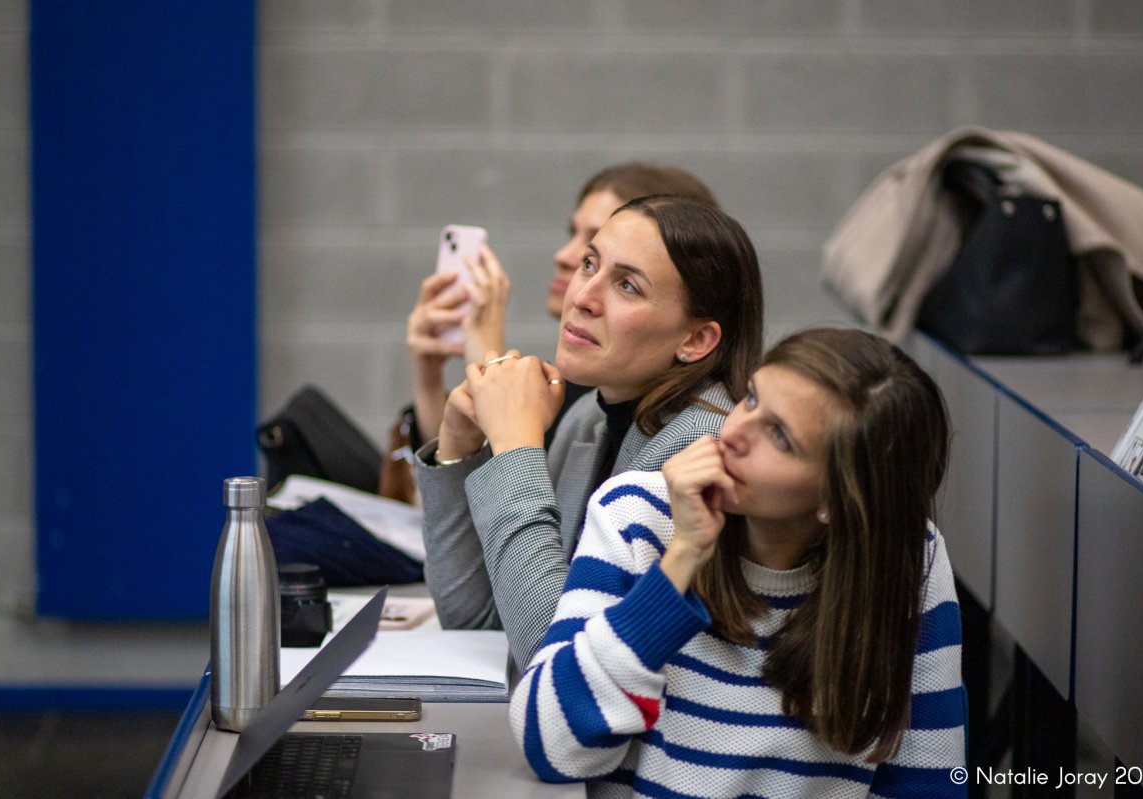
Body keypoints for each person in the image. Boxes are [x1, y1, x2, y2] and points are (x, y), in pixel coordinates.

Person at [511, 327, 966, 797]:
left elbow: (926, 785)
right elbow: (552, 747)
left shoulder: (910, 560)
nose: (732, 433)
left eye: (780, 436)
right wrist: (682, 558)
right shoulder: (638, 514)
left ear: (837, 500)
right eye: (751, 399)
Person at [415, 196, 765, 669]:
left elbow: (556, 657)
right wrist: (458, 449)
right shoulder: (589, 421)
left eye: (627, 285)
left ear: (696, 339)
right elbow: (475, 617)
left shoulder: (700, 449)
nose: (582, 297)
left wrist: (516, 447)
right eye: (589, 265)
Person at [394, 163, 720, 478]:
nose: (564, 256)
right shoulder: (587, 411)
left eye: (627, 283)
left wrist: (488, 362)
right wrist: (428, 378)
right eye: (590, 260)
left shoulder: (695, 438)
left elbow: (518, 505)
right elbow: (448, 505)